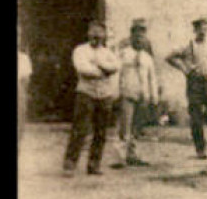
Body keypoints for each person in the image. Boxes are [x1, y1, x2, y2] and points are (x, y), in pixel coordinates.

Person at [64, 21, 120, 176]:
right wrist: (102, 71)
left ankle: (94, 164)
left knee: (101, 131)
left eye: (100, 33)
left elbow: (115, 66)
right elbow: (82, 68)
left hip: (104, 95)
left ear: (104, 36)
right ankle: (70, 163)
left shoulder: (108, 52)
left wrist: (99, 64)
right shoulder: (80, 50)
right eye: (93, 32)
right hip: (86, 93)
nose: (96, 36)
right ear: (88, 34)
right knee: (80, 129)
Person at [167, 17, 207, 161]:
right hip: (195, 83)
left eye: (206, 29)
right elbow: (170, 57)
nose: (203, 32)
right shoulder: (189, 45)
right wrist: (186, 69)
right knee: (196, 117)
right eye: (201, 29)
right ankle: (200, 149)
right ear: (195, 30)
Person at [114, 19, 158, 168]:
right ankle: (120, 158)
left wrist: (154, 96)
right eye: (136, 34)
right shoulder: (123, 54)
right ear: (131, 36)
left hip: (143, 95)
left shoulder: (147, 58)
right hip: (127, 93)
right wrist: (115, 92)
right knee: (124, 126)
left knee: (137, 127)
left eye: (142, 34)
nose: (139, 38)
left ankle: (133, 155)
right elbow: (116, 74)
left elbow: (152, 78)